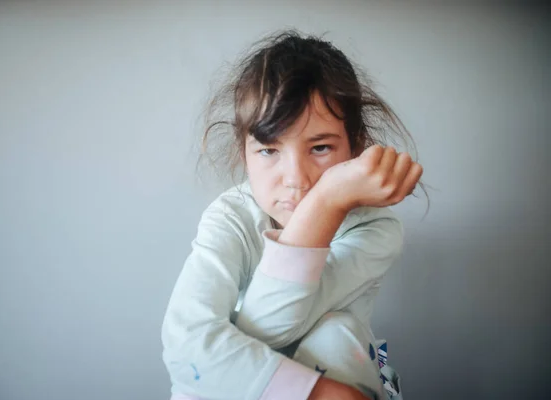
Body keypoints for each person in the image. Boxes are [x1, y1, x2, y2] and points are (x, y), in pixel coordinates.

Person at [161, 30, 425, 400]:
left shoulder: (374, 227)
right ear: (244, 154)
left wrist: (329, 201)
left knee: (336, 335)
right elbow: (187, 344)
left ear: (356, 147)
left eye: (319, 147)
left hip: (324, 372)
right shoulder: (230, 217)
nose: (296, 180)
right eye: (269, 151)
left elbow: (273, 331)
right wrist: (321, 393)